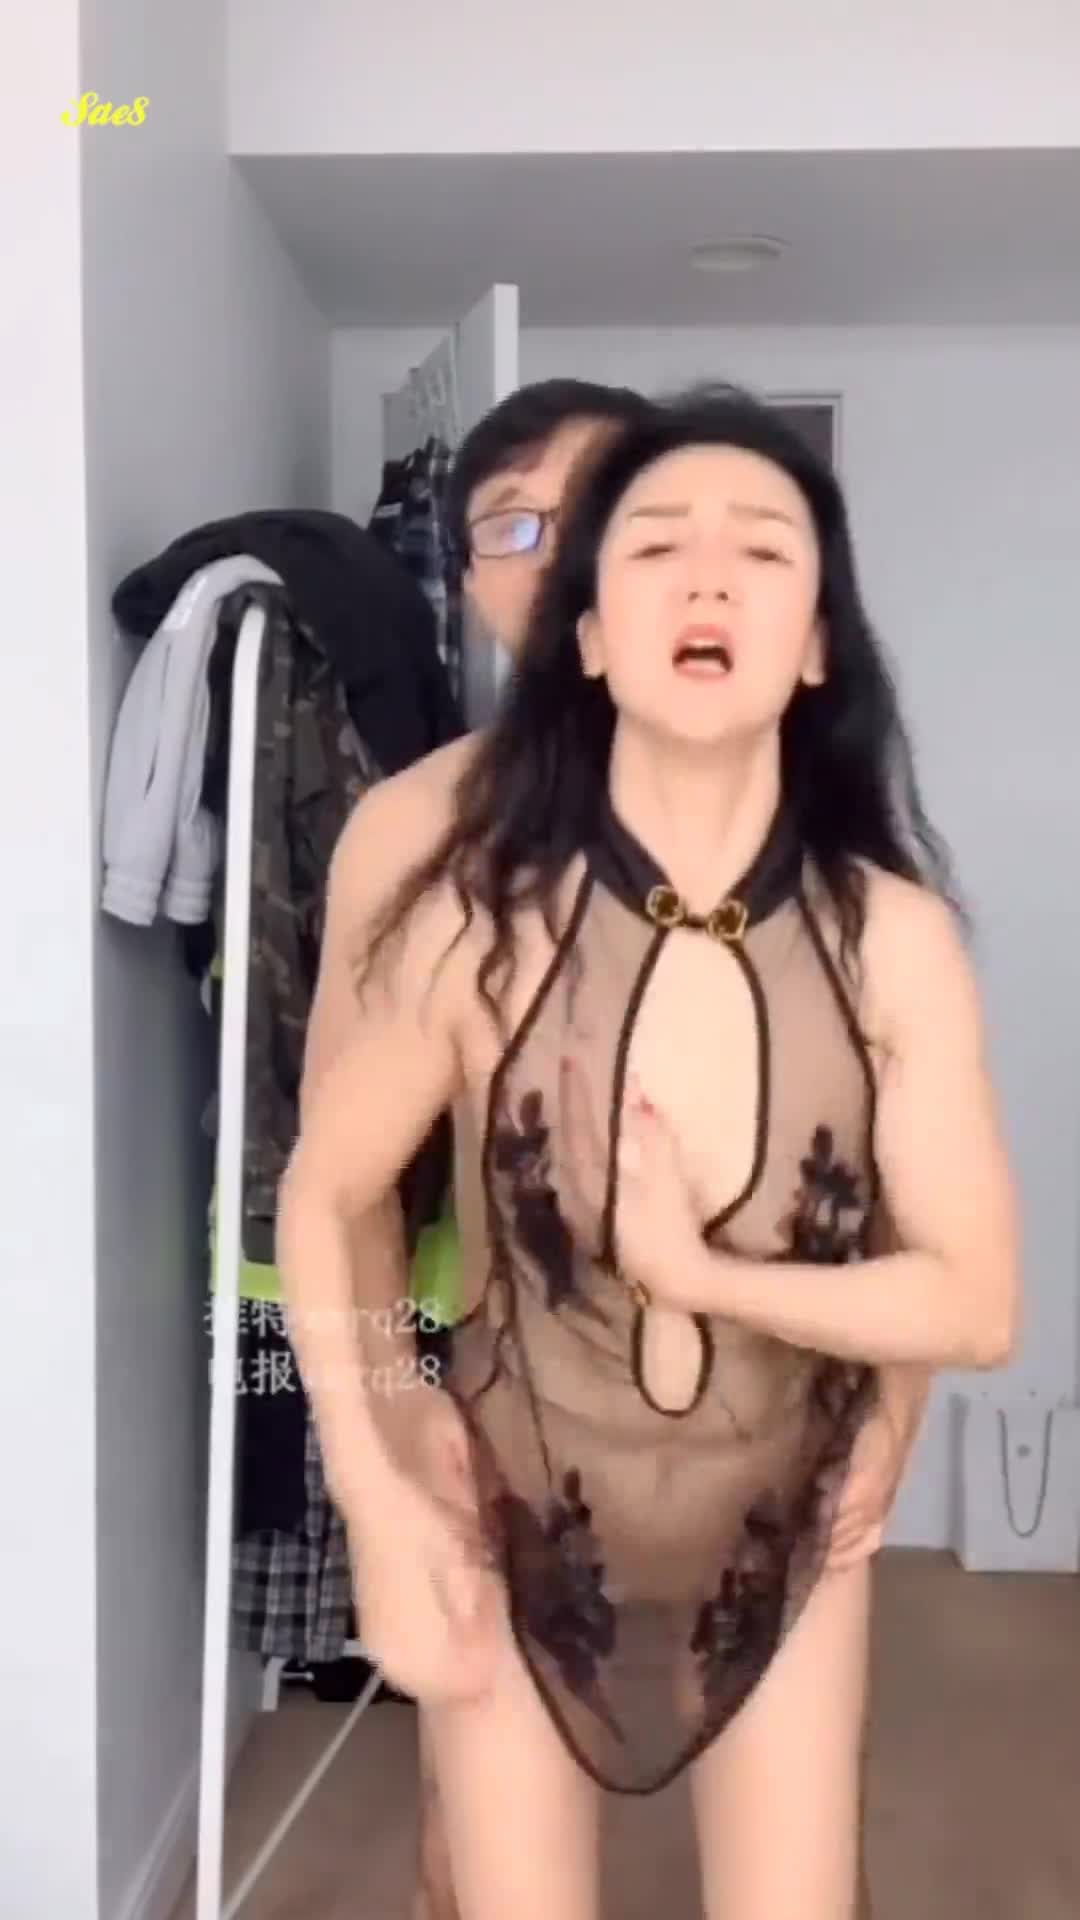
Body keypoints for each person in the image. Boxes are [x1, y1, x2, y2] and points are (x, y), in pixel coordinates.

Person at [286, 384, 996, 1915]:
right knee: (477, 1862)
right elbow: (338, 1181)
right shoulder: (421, 843)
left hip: (772, 1454)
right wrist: (387, 1445)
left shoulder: (851, 894)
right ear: (484, 586)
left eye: (601, 511)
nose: (562, 554)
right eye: (516, 529)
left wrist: (896, 1403)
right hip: (519, 1424)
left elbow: (896, 1206)